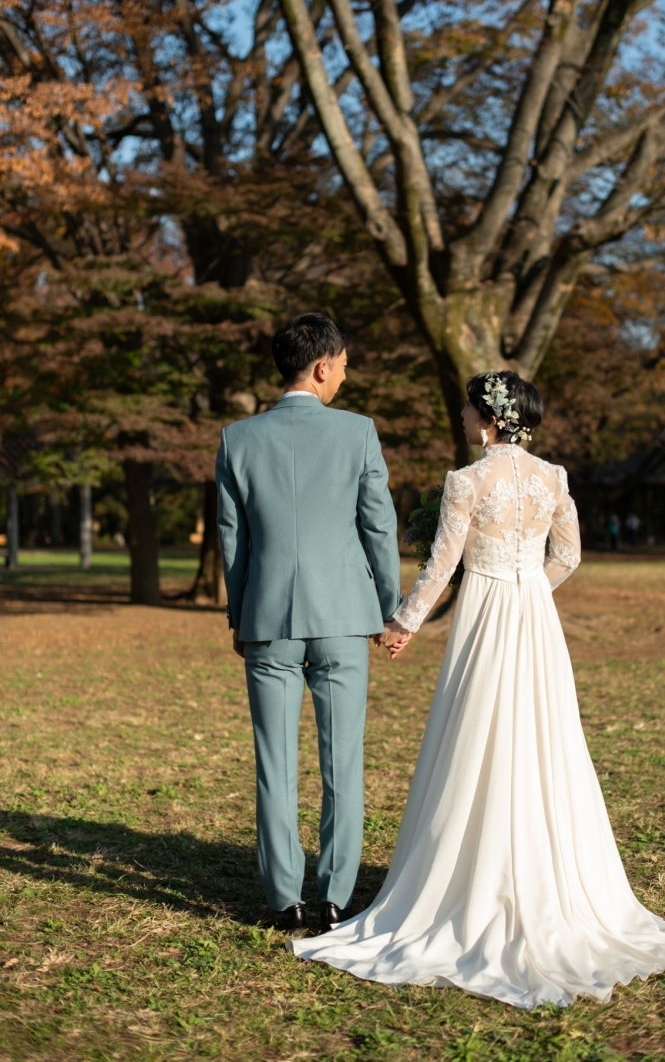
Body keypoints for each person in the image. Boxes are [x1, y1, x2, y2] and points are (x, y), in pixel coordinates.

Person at [290, 371, 665, 1007]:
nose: (463, 417)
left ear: (491, 419)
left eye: (470, 409)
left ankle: (467, 878)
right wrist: (528, 589)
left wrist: (402, 624)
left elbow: (443, 564)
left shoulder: (466, 482)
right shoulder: (553, 477)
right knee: (540, 738)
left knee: (475, 736)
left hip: (484, 620)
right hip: (533, 620)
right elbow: (570, 556)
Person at [216, 313, 402, 934]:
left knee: (275, 761)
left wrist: (240, 615)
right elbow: (378, 525)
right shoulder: (358, 434)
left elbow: (232, 541)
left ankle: (283, 899)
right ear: (322, 366)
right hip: (346, 616)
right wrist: (388, 606)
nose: (346, 375)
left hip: (267, 617)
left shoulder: (237, 439)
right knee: (342, 760)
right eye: (344, 364)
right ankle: (336, 897)